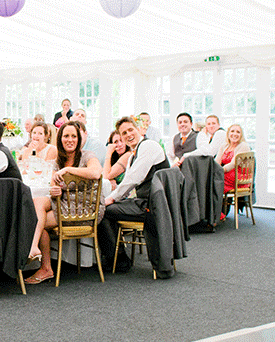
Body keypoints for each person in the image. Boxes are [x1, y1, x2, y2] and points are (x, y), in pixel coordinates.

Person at [26, 121, 103, 284]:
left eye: (73, 136)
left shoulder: (88, 155)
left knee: (35, 222)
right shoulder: (57, 161)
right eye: (66, 136)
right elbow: (54, 187)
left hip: (85, 209)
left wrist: (68, 170)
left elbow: (96, 173)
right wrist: (55, 191)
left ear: (79, 139)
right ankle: (37, 252)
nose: (70, 139)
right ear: (60, 139)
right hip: (65, 204)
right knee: (37, 202)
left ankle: (44, 265)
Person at [99, 116, 169, 273]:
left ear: (139, 129)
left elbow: (133, 179)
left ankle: (119, 260)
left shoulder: (149, 146)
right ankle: (116, 257)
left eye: (130, 130)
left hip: (153, 205)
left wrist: (111, 199)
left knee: (103, 211)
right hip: (146, 202)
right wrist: (114, 198)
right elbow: (128, 185)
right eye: (124, 133)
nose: (128, 135)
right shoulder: (133, 155)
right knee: (105, 207)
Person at [217, 124, 250, 193]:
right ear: (228, 133)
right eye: (232, 131)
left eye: (238, 132)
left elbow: (233, 164)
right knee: (208, 177)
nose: (235, 134)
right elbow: (217, 161)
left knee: (215, 180)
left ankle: (217, 203)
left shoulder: (243, 146)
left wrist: (219, 171)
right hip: (227, 173)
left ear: (241, 135)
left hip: (238, 177)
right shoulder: (224, 146)